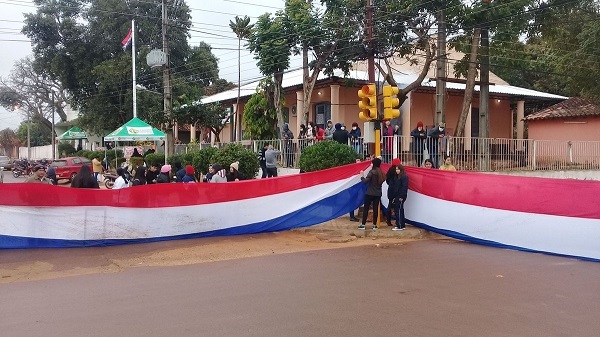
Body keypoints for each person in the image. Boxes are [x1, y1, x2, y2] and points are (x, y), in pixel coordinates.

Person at [358, 158, 385, 230]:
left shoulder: (372, 172)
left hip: (369, 193)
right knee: (375, 209)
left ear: (374, 164)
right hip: (378, 193)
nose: (370, 164)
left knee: (366, 208)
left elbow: (365, 182)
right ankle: (374, 225)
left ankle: (363, 224)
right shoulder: (381, 173)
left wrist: (362, 176)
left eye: (372, 163)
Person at [386, 162, 409, 231]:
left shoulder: (404, 177)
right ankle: (401, 224)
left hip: (400, 196)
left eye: (398, 169)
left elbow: (404, 187)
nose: (397, 171)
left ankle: (399, 225)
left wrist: (401, 196)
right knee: (400, 210)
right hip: (397, 196)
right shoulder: (397, 177)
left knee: (398, 210)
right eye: (396, 169)